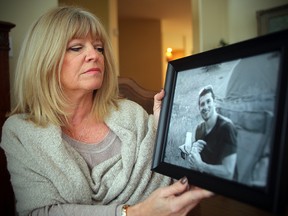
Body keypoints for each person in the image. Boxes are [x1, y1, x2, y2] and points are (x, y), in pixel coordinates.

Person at [0, 6, 212, 216]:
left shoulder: (132, 115)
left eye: (99, 48)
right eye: (76, 47)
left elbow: (179, 175)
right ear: (44, 58)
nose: (94, 55)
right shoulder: (20, 132)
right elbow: (39, 212)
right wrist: (135, 213)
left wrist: (167, 129)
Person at [180, 85, 237, 180]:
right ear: (199, 108)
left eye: (208, 101)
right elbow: (198, 161)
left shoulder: (226, 128)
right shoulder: (199, 129)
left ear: (214, 102)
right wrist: (191, 152)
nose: (205, 107)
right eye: (202, 104)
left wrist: (201, 166)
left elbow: (228, 172)